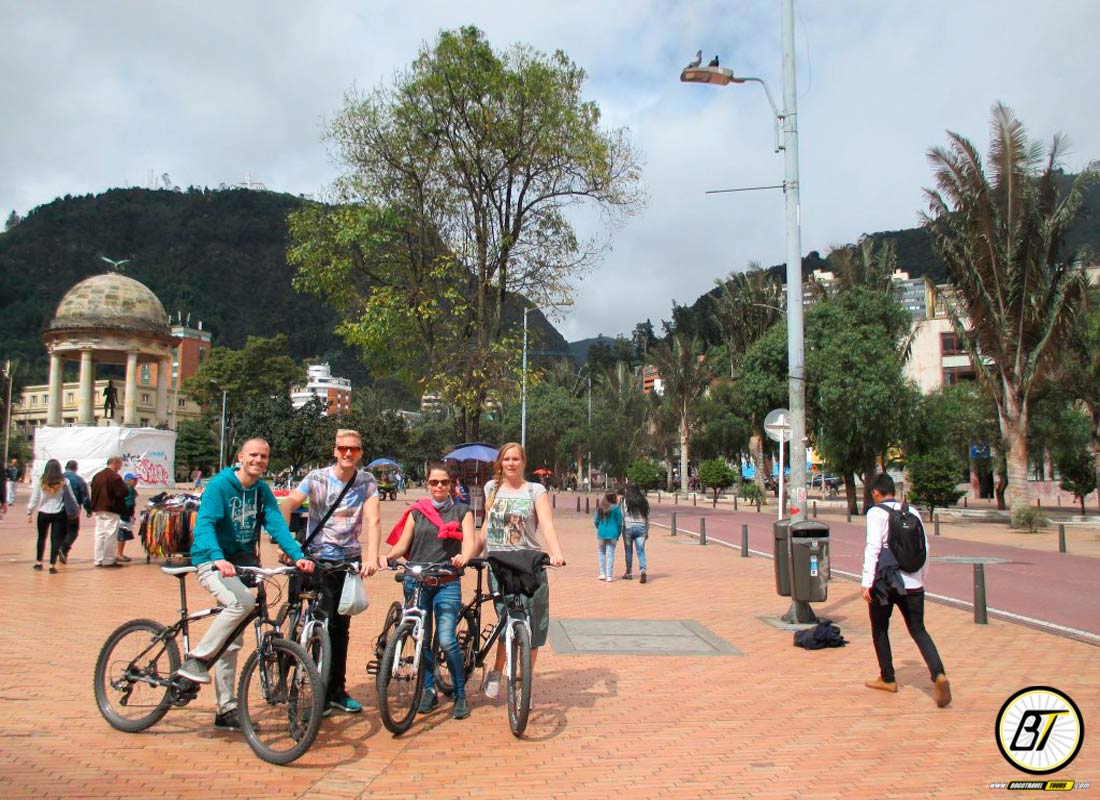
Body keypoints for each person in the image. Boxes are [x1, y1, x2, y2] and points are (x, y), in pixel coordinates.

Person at [177, 437, 315, 731]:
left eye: (264, 456)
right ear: (240, 456)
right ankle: (196, 660)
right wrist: (216, 558)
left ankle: (225, 709)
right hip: (211, 561)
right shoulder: (220, 485)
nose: (258, 460)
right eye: (253, 455)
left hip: (241, 564)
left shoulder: (262, 491)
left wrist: (298, 555)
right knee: (242, 603)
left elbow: (276, 524)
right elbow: (205, 525)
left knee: (233, 641)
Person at [279, 429, 383, 715]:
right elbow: (288, 504)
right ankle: (318, 690)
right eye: (343, 448)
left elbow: (373, 520)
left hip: (348, 562)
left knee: (341, 629)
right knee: (321, 622)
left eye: (354, 449)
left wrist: (371, 556)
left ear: (361, 453)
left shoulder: (366, 481)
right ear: (334, 450)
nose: (348, 453)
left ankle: (336, 689)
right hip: (317, 559)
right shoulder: (317, 478)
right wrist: (287, 544)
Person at [384, 461, 477, 719]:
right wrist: (388, 557)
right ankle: (428, 691)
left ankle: (459, 693)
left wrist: (463, 557)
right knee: (421, 639)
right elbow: (403, 545)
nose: (438, 486)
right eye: (434, 482)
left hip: (447, 581)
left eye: (444, 482)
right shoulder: (417, 512)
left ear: (451, 484)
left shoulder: (462, 511)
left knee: (446, 639)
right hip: (418, 582)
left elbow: (469, 542)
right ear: (427, 484)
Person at [478, 442, 565, 700]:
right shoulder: (491, 488)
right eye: (507, 459)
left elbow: (547, 524)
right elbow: (486, 527)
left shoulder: (535, 490)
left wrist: (556, 551)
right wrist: (472, 551)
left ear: (523, 462)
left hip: (528, 563)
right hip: (498, 563)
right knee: (506, 619)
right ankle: (496, 671)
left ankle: (521, 681)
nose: (511, 464)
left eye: (516, 459)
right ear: (500, 463)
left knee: (533, 624)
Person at [860, 473, 951, 708]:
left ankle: (888, 678)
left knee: (880, 628)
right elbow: (925, 549)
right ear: (894, 491)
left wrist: (867, 581)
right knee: (919, 630)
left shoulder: (875, 513)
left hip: (886, 583)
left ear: (876, 493)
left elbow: (873, 548)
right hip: (914, 583)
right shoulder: (913, 513)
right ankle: (938, 674)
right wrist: (921, 578)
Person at [27, 459, 78, 573]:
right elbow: (71, 497)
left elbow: (35, 497)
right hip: (58, 512)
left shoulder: (42, 481)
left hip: (43, 512)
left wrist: (30, 510)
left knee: (41, 537)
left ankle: (39, 562)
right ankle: (52, 565)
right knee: (55, 539)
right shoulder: (64, 481)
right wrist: (76, 509)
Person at [90, 456, 129, 567]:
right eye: (120, 465)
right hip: (111, 508)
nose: (120, 468)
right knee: (110, 534)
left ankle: (98, 559)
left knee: (99, 534)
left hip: (99, 508)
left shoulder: (97, 476)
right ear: (115, 463)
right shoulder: (114, 477)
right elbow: (122, 492)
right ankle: (108, 560)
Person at [61, 460, 92, 562]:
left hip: (58, 508)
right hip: (73, 510)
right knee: (73, 531)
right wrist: (88, 509)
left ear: (66, 467)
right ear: (76, 468)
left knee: (60, 531)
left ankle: (60, 551)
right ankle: (64, 548)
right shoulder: (79, 480)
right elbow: (85, 496)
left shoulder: (59, 478)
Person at [621, 483, 650, 583]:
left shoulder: (625, 501)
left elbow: (622, 515)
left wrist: (622, 528)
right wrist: (647, 530)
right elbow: (647, 517)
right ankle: (643, 571)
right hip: (641, 527)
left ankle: (628, 573)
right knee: (641, 551)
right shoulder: (643, 501)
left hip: (628, 527)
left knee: (628, 551)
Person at [594, 492, 622, 582]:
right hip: (613, 533)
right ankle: (609, 575)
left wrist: (600, 527)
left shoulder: (601, 507)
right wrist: (618, 533)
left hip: (602, 533)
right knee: (610, 554)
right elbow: (619, 522)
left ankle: (602, 573)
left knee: (601, 552)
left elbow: (596, 520)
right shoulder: (616, 508)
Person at [115, 473, 140, 563]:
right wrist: (129, 515)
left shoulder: (128, 488)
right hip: (123, 515)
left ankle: (119, 553)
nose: (136, 482)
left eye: (136, 480)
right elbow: (128, 503)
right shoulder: (128, 489)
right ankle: (119, 554)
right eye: (133, 480)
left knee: (122, 535)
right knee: (122, 535)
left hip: (124, 514)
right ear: (127, 480)